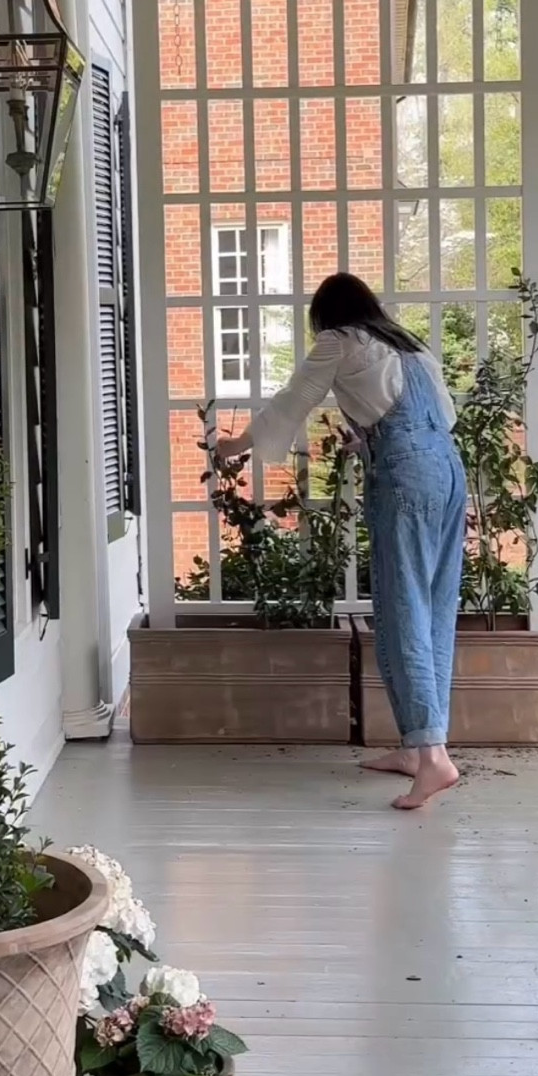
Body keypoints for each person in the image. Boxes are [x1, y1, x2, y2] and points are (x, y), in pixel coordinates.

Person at [216, 272, 467, 811]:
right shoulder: (407, 345)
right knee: (435, 606)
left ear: (327, 315)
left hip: (407, 477)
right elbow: (435, 418)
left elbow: (293, 400)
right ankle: (417, 747)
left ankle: (432, 756)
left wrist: (235, 445)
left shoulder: (339, 340)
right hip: (448, 470)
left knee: (403, 608)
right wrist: (368, 441)